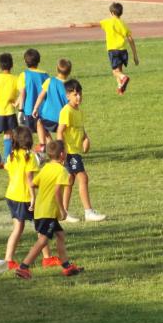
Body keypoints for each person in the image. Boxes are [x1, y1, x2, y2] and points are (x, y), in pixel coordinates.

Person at [15, 140, 84, 280]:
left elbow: (33, 183)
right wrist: (63, 210)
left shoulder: (46, 168)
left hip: (41, 210)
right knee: (43, 241)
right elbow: (58, 191)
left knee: (60, 235)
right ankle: (23, 267)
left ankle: (67, 266)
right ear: (63, 154)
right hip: (49, 212)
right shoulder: (61, 171)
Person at [4, 126, 60, 270]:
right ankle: (47, 258)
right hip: (25, 197)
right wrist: (33, 198)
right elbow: (30, 180)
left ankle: (8, 259)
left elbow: (10, 173)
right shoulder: (29, 157)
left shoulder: (12, 155)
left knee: (18, 227)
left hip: (11, 195)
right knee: (41, 228)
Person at [57, 79, 106, 222]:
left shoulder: (79, 111)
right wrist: (63, 150)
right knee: (83, 178)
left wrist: (86, 138)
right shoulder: (67, 111)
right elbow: (60, 131)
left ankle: (64, 213)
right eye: (75, 94)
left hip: (75, 151)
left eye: (79, 94)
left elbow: (80, 128)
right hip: (70, 151)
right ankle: (88, 212)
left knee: (70, 180)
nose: (78, 97)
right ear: (67, 96)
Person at [32, 58, 72, 153]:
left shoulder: (50, 81)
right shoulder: (68, 86)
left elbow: (41, 95)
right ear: (69, 72)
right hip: (62, 118)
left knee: (39, 123)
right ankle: (62, 151)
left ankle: (42, 144)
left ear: (56, 69)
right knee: (62, 135)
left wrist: (35, 108)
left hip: (47, 117)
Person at [15, 48, 49, 133]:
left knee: (27, 135)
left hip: (29, 110)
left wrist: (20, 110)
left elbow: (23, 93)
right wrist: (17, 101)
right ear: (39, 60)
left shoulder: (24, 75)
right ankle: (51, 146)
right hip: (43, 111)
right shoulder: (45, 75)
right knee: (45, 134)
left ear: (25, 61)